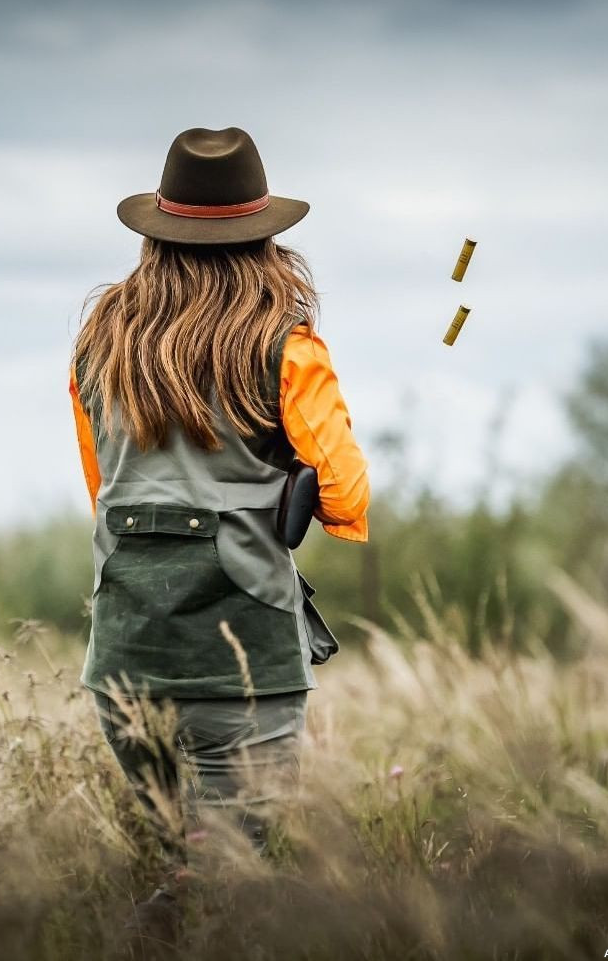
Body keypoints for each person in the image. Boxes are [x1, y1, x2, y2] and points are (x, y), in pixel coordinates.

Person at [68, 126, 370, 932]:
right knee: (228, 881)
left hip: (124, 653)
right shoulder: (286, 345)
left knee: (188, 859)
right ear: (264, 238)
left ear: (155, 236)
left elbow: (104, 489)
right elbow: (344, 495)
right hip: (243, 663)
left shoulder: (98, 344)